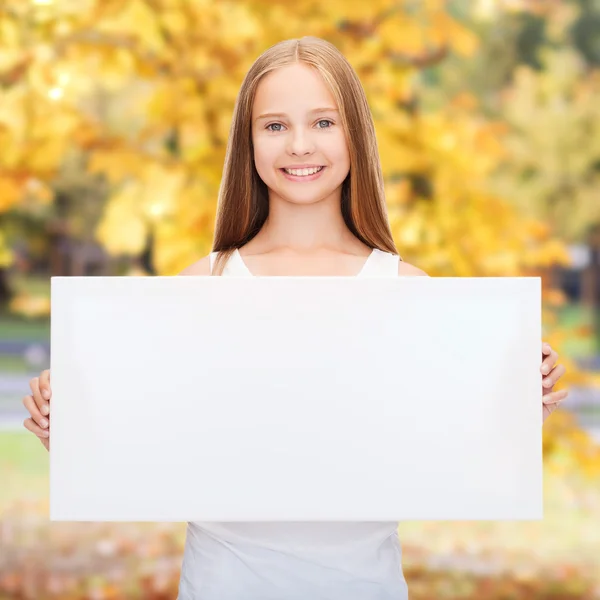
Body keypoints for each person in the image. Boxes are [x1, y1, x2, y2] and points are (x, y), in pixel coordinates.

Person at [22, 36, 568, 600]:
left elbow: (461, 453)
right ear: (249, 142)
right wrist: (66, 429)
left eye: (324, 123)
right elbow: (132, 447)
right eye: (275, 126)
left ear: (355, 134)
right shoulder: (201, 287)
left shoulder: (409, 294)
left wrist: (520, 405)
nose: (300, 145)